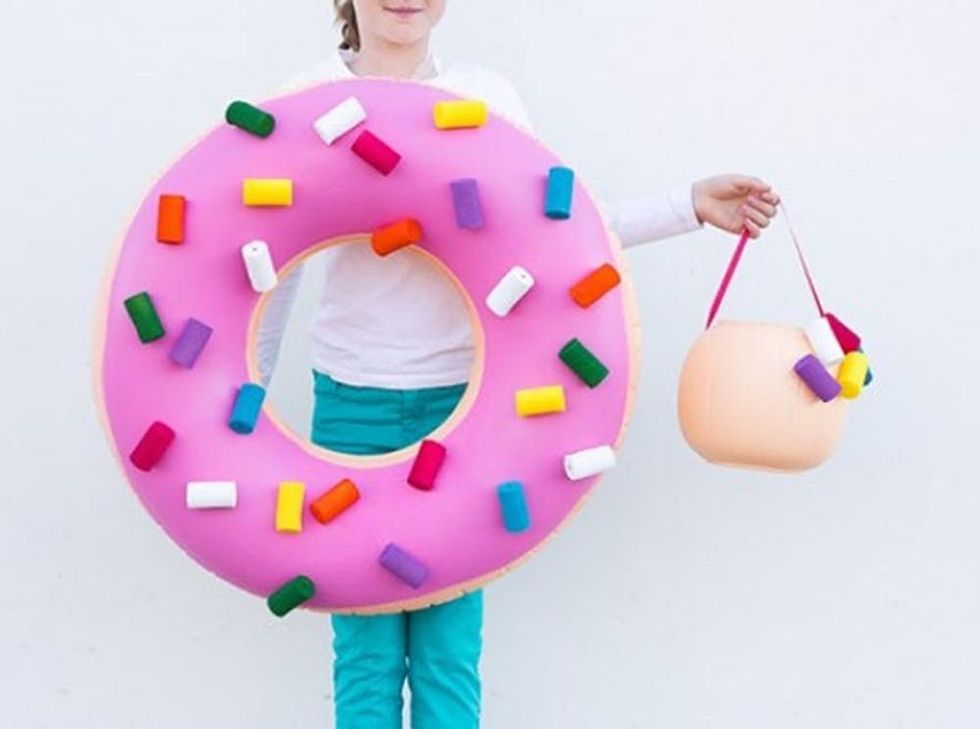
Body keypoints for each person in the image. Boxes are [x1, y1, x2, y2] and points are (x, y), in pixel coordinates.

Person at [258, 2, 780, 727]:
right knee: (366, 651)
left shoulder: (486, 100)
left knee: (448, 650)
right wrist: (243, 409)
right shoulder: (302, 97)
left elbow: (558, 229)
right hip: (352, 402)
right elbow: (262, 268)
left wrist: (685, 205)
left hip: (466, 408)